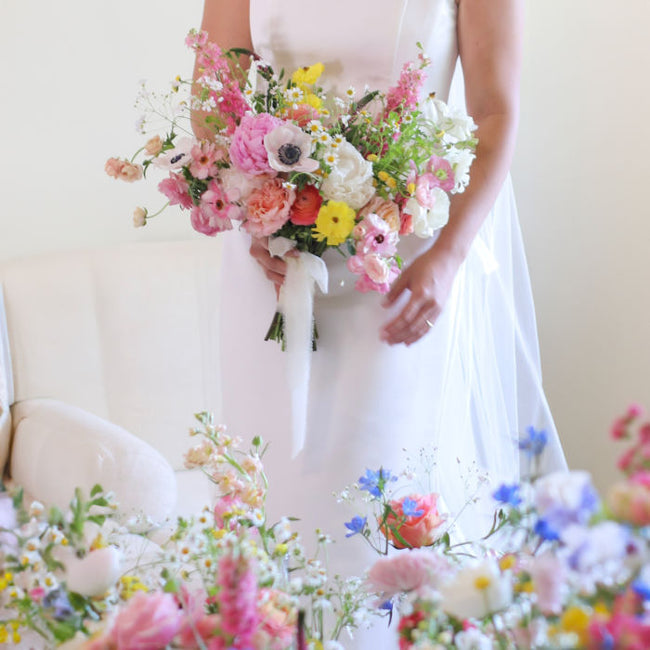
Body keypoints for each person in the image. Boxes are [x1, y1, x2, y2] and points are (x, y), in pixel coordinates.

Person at [197, 0, 567, 646]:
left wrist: (448, 259)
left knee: (376, 501)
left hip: (399, 271)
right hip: (272, 269)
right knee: (270, 495)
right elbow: (214, 99)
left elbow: (495, 112)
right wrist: (252, 217)